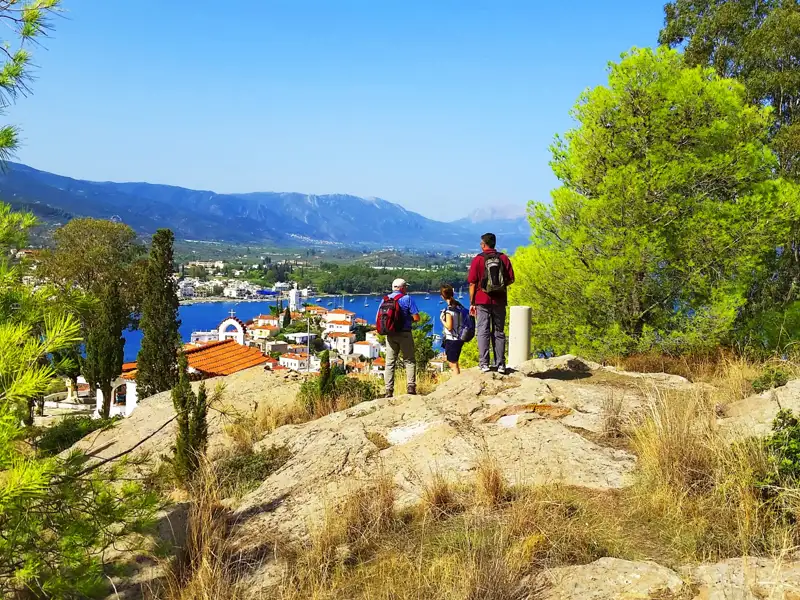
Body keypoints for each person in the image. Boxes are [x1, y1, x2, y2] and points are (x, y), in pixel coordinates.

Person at [467, 232, 515, 374]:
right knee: (499, 332)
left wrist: (472, 302)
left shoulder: (478, 259)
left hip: (482, 300)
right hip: (499, 300)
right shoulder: (504, 258)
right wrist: (500, 286)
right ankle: (500, 364)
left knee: (483, 331)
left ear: (483, 245)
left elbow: (472, 283)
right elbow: (511, 279)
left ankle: (484, 364)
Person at [378, 278, 420, 396]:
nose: (406, 289)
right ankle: (411, 387)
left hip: (390, 334)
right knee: (409, 360)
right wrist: (407, 319)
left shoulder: (385, 300)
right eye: (406, 287)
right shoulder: (407, 299)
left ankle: (388, 390)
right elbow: (416, 318)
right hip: (405, 333)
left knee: (390, 362)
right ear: (402, 288)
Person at [440, 284, 467, 374]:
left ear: (442, 296)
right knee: (454, 362)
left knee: (453, 364)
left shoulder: (449, 311)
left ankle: (456, 381)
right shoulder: (459, 306)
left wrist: (441, 320)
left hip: (452, 339)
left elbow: (449, 326)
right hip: (459, 337)